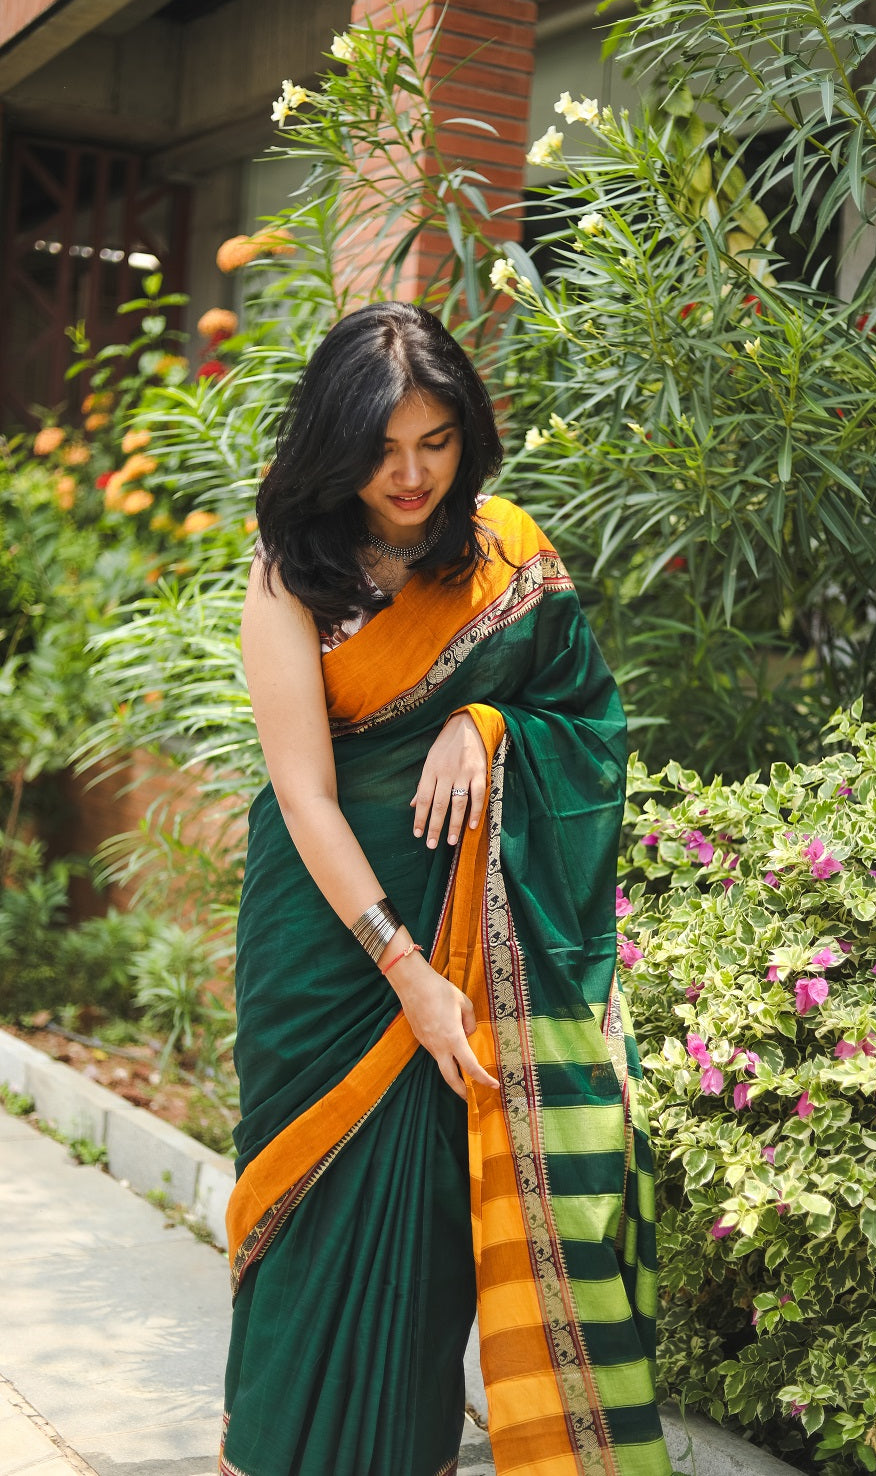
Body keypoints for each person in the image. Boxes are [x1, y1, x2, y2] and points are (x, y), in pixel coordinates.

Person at [220, 302, 669, 1476]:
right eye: (381, 450)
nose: (410, 474)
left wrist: (487, 726)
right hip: (328, 948)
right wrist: (405, 972)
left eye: (435, 442)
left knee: (422, 1244)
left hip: (476, 944)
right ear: (335, 443)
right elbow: (305, 795)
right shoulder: (291, 574)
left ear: (468, 434)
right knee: (303, 1228)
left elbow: (591, 724)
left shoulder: (509, 556)